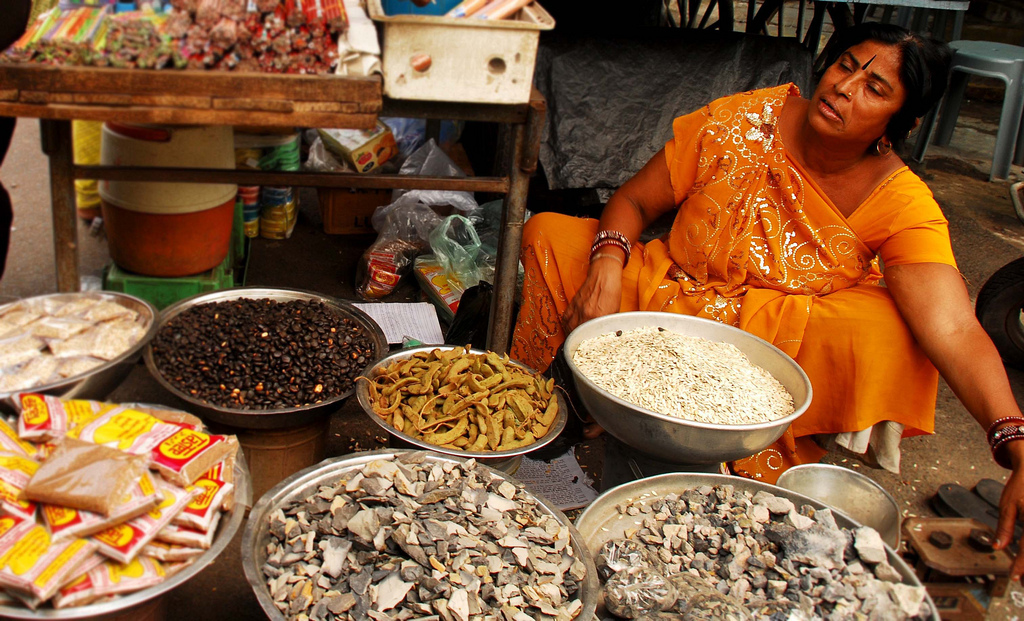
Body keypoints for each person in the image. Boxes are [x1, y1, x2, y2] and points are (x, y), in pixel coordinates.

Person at [511, 22, 1024, 580]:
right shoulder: (742, 119)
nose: (845, 89)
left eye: (876, 88)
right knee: (551, 235)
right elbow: (634, 199)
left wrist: (1013, 439)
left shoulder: (900, 201)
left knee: (895, 327)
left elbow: (952, 327)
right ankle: (581, 403)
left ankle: (737, 436)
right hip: (664, 298)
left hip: (762, 347)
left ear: (903, 122)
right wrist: (608, 265)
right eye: (845, 65)